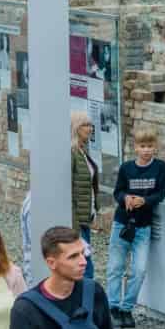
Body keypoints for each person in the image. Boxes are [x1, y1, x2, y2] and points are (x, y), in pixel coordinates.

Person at [107, 129, 165, 328]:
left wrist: (145, 200)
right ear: (135, 148)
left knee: (139, 269)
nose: (146, 150)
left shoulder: (160, 167)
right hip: (122, 223)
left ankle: (127, 307)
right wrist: (126, 198)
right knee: (116, 267)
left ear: (155, 147)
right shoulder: (126, 168)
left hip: (144, 225)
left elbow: (161, 193)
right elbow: (118, 192)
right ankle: (113, 307)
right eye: (142, 146)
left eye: (150, 146)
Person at [71, 110, 99, 281]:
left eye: (90, 125)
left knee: (85, 264)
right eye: (85, 125)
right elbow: (69, 189)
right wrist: (74, 223)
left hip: (85, 218)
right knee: (85, 266)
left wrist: (94, 212)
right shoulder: (72, 153)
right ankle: (87, 305)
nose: (89, 129)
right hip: (77, 221)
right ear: (76, 128)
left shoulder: (82, 152)